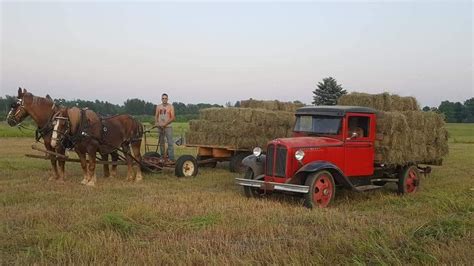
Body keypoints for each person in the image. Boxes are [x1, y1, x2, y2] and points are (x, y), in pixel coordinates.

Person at [155, 93, 175, 161]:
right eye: (163, 98)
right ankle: (162, 157)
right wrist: (157, 123)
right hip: (160, 127)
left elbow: (172, 117)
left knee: (170, 143)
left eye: (165, 98)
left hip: (168, 127)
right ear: (161, 99)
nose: (164, 100)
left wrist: (165, 124)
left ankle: (171, 158)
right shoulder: (158, 106)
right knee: (161, 143)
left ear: (167, 99)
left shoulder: (171, 106)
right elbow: (156, 116)